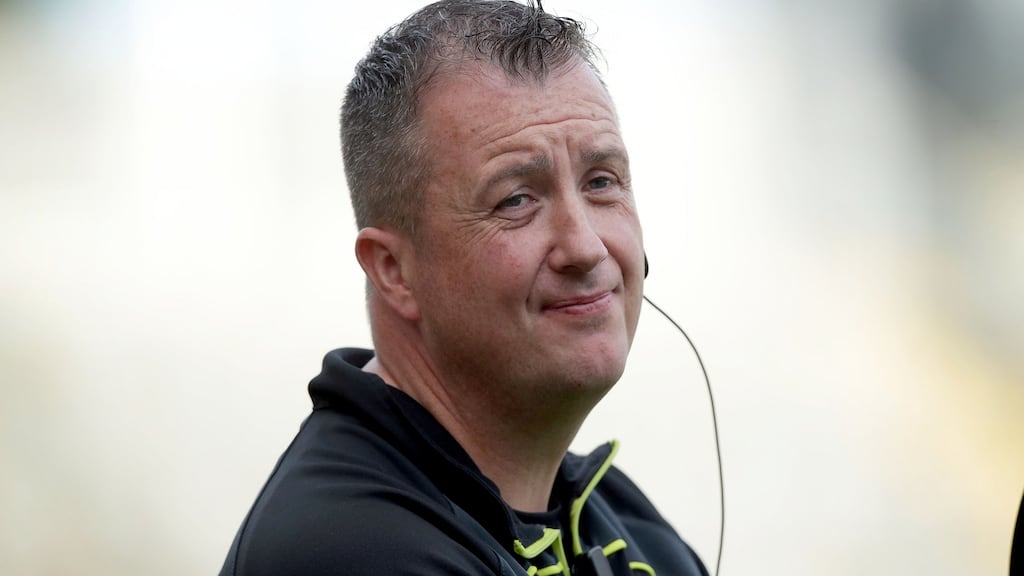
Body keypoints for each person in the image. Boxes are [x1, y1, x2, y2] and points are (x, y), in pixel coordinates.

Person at [220, 1, 708, 574]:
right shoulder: (357, 550)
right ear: (393, 270)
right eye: (516, 200)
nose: (586, 247)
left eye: (601, 182)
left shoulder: (628, 524)